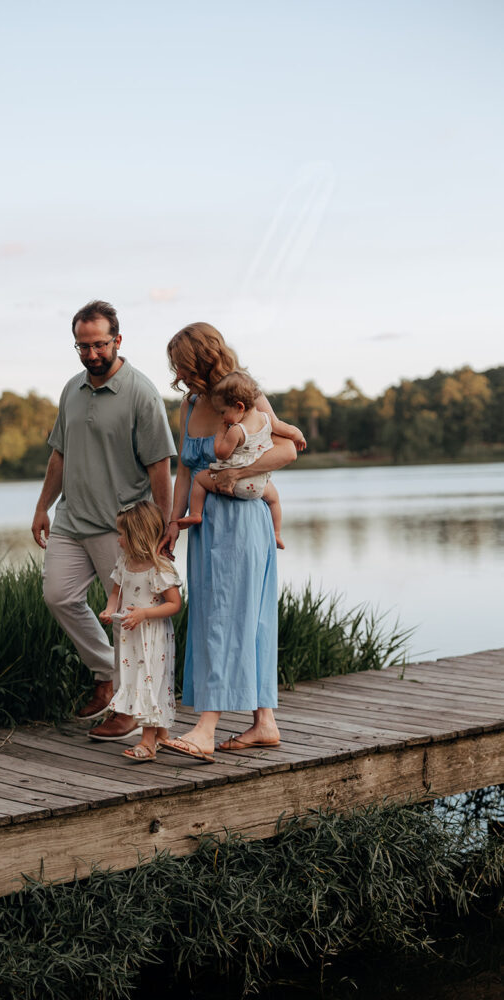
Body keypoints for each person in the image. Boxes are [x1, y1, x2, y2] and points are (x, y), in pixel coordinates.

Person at [31, 301, 176, 742]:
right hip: (72, 519)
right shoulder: (72, 388)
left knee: (128, 618)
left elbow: (160, 466)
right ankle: (105, 675)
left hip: (124, 528)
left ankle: (130, 710)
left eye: (99, 344)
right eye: (82, 346)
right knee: (58, 596)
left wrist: (164, 527)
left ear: (117, 340)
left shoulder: (141, 393)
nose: (91, 354)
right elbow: (60, 453)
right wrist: (42, 506)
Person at [158, 323, 297, 761]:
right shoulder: (190, 403)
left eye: (183, 364)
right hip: (205, 526)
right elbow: (185, 469)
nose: (178, 374)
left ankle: (206, 728)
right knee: (221, 617)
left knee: (230, 618)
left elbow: (287, 451)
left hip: (242, 523)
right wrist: (172, 522)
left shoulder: (244, 393)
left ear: (203, 357)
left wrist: (235, 474)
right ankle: (264, 723)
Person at [176, 370, 306, 548]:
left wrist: (221, 431)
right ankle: (276, 533)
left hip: (234, 485)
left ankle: (196, 513)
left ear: (239, 407)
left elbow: (222, 453)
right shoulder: (267, 420)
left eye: (223, 412)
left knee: (199, 480)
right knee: (274, 499)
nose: (222, 417)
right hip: (258, 485)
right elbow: (290, 430)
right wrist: (299, 438)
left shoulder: (236, 430)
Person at [98, 501, 182, 761]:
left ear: (137, 536)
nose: (119, 540)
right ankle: (162, 735)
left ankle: (147, 743)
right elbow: (116, 593)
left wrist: (144, 614)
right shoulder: (125, 563)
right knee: (140, 681)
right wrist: (109, 609)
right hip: (132, 636)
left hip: (152, 636)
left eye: (122, 534)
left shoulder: (159, 568)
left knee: (151, 681)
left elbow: (174, 604)